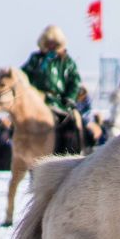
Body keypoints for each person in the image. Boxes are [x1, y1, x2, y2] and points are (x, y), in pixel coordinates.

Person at [21, 25, 88, 156]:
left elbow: (75, 81)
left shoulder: (66, 61)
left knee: (74, 121)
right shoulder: (36, 59)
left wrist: (70, 98)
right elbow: (23, 76)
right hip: (36, 101)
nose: (51, 45)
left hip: (60, 102)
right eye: (48, 42)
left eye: (54, 42)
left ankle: (73, 152)